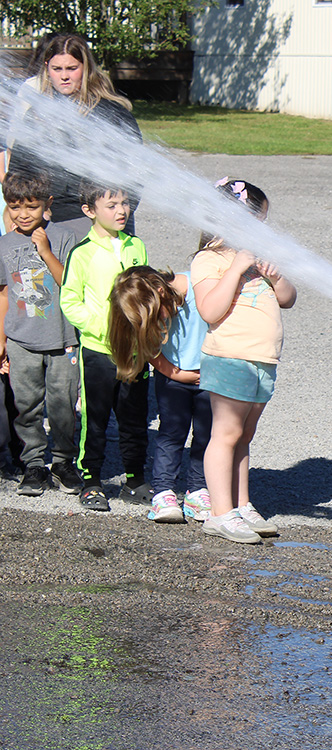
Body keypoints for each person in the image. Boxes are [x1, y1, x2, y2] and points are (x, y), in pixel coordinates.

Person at [190, 178, 296, 544]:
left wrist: (275, 277)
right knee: (226, 434)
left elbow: (288, 299)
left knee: (244, 436)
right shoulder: (210, 259)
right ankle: (220, 513)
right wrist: (236, 268)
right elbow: (209, 310)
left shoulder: (261, 259)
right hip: (229, 358)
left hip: (263, 360)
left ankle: (242, 504)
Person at [60, 180, 150, 511]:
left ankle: (135, 479)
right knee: (96, 419)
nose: (121, 211)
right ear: (89, 211)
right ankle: (92, 481)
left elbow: (143, 293)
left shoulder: (136, 246)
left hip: (136, 353)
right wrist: (104, 327)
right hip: (99, 352)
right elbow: (69, 300)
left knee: (133, 418)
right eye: (111, 205)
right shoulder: (81, 253)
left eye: (125, 203)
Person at [8, 34, 141, 241]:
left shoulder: (112, 115)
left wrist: (116, 217)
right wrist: (27, 212)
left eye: (72, 68)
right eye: (57, 69)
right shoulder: (35, 116)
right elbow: (18, 172)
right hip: (48, 222)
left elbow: (136, 174)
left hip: (101, 224)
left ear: (86, 68)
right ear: (46, 68)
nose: (64, 76)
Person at [109, 266, 212, 524]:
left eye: (159, 316)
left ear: (159, 291)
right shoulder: (152, 300)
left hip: (211, 377)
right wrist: (175, 373)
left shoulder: (202, 285)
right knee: (171, 434)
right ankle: (164, 492)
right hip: (173, 378)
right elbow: (149, 346)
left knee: (206, 434)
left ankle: (198, 490)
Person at [0, 169, 81, 495]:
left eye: (31, 207)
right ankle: (33, 464)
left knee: (63, 403)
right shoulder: (4, 244)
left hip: (63, 340)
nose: (22, 215)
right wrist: (2, 340)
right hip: (22, 340)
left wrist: (46, 251)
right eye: (14, 207)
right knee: (27, 404)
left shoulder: (63, 238)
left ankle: (63, 461)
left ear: (47, 204)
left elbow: (71, 284)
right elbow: (4, 294)